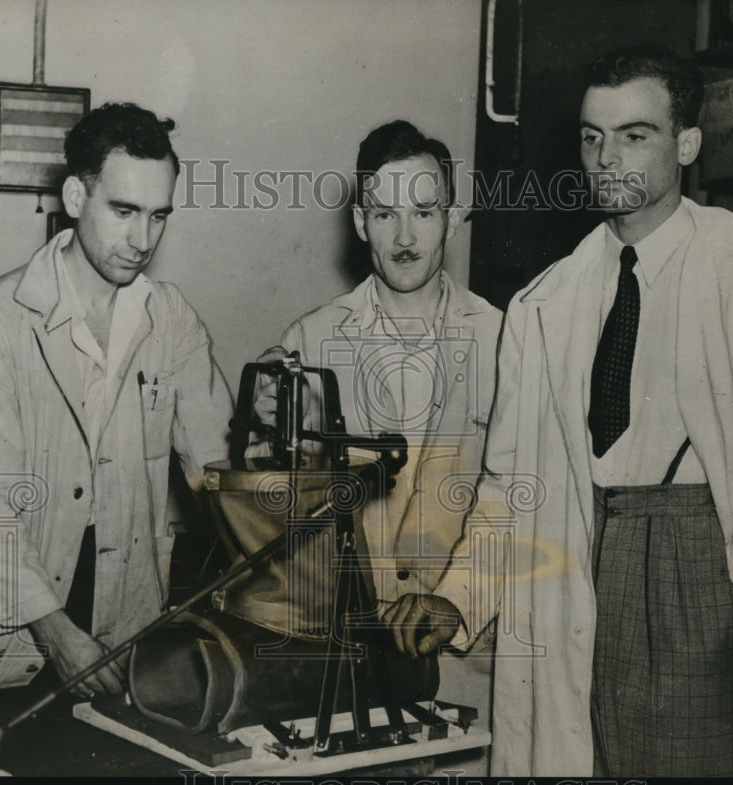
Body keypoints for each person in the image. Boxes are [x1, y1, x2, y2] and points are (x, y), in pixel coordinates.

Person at [383, 46, 733, 776]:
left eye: (634, 134)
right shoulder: (544, 303)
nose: (606, 158)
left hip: (702, 585)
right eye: (592, 136)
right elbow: (512, 490)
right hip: (568, 582)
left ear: (687, 144)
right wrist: (458, 598)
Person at [0, 103, 234, 699]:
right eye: (124, 211)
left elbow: (219, 470)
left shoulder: (170, 319)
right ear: (74, 196)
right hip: (6, 641)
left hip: (126, 636)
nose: (143, 240)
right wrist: (57, 633)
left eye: (158, 216)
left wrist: (269, 447)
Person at [252, 120, 502, 759]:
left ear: (453, 217)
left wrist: (456, 601)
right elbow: (267, 516)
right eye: (385, 213)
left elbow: (520, 500)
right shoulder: (308, 342)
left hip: (466, 654)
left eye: (424, 211)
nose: (405, 236)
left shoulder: (506, 341)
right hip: (340, 669)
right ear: (361, 222)